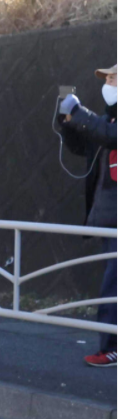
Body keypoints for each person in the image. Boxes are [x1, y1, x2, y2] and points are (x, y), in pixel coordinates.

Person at [58, 64, 117, 367]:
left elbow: (109, 135)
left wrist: (80, 114)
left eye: (114, 77)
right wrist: (68, 123)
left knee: (112, 285)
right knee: (112, 284)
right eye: (107, 77)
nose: (108, 82)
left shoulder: (108, 125)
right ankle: (110, 345)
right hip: (108, 217)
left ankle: (109, 348)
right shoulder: (107, 121)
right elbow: (85, 146)